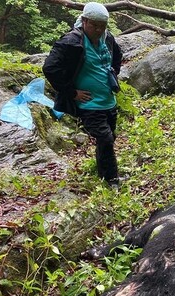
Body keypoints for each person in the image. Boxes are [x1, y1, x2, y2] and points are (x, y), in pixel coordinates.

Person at [43, 2, 123, 187]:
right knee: (105, 138)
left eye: (102, 26)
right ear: (84, 21)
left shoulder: (107, 38)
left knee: (109, 137)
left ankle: (103, 172)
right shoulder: (71, 41)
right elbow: (50, 67)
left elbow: (117, 56)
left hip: (108, 101)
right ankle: (112, 179)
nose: (98, 29)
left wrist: (112, 75)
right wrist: (71, 92)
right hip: (89, 104)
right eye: (94, 25)